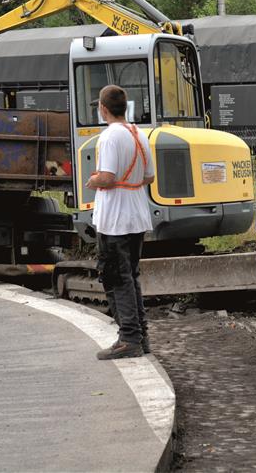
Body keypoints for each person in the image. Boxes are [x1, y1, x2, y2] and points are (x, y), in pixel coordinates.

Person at [85, 85, 155, 360]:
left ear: (103, 109)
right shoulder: (138, 134)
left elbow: (108, 177)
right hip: (136, 214)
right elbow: (149, 176)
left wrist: (93, 180)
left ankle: (128, 338)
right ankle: (141, 335)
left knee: (115, 277)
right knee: (131, 276)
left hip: (115, 220)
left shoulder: (110, 136)